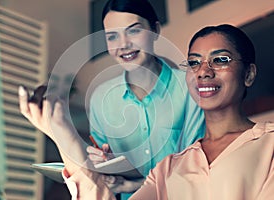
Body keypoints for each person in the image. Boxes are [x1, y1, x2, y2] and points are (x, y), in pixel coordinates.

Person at [19, 24, 273, 199]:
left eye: (221, 59)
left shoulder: (269, 144)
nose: (203, 70)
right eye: (194, 62)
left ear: (248, 74)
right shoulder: (168, 168)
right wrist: (62, 131)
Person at [85, 0, 205, 198]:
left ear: (155, 30)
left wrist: (136, 186)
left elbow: (196, 166)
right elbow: (102, 174)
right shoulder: (100, 99)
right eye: (112, 36)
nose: (123, 44)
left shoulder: (189, 88)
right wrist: (102, 162)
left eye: (134, 31)